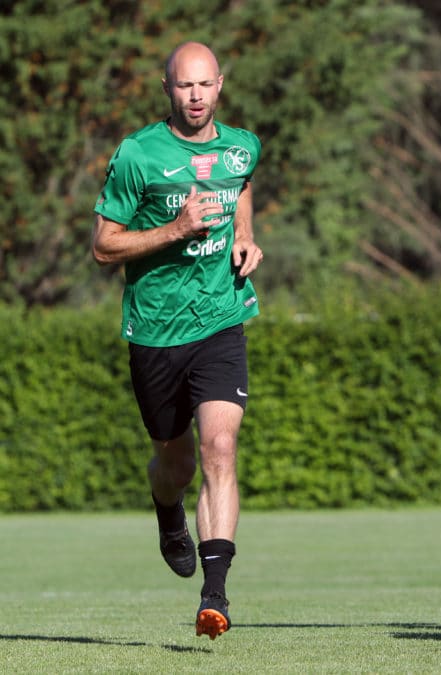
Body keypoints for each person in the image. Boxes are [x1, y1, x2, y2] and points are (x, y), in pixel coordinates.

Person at [92, 41, 263, 640]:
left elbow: (241, 185)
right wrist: (176, 228)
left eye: (205, 85)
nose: (196, 97)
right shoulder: (137, 154)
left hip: (220, 318)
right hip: (156, 331)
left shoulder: (242, 145)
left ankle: (214, 595)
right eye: (184, 87)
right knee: (176, 460)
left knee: (220, 447)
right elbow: (103, 245)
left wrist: (245, 236)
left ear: (220, 85)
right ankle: (168, 512)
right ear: (167, 88)